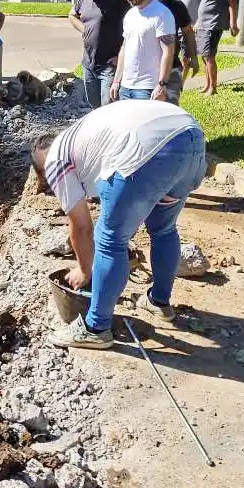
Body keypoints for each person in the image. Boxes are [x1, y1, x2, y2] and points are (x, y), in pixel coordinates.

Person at [31, 100, 206, 348]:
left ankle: (95, 327)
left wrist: (85, 269)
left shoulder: (54, 162)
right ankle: (159, 302)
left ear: (42, 172)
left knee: (109, 239)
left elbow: (82, 227)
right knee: (163, 229)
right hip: (191, 140)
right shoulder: (84, 139)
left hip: (149, 149)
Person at [110, 0, 176, 101]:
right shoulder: (130, 14)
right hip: (125, 87)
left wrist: (162, 84)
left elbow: (168, 52)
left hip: (148, 88)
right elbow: (125, 48)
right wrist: (117, 81)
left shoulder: (161, 13)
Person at [69, 0, 129, 108]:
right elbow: (71, 15)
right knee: (94, 106)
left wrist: (121, 56)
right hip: (89, 64)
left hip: (110, 65)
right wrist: (85, 31)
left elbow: (131, 28)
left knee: (108, 107)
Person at [146, 0, 199, 104]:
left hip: (172, 67)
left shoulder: (176, 5)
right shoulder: (141, 7)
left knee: (170, 108)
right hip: (147, 68)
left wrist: (193, 57)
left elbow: (188, 31)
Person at [196, 0, 239, 96]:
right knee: (204, 56)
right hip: (203, 25)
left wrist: (233, 24)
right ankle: (207, 84)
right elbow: (207, 4)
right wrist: (198, 22)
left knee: (209, 56)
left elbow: (231, 2)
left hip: (213, 25)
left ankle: (213, 88)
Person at [170, 0, 205, 82]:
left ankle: (181, 84)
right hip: (174, 29)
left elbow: (204, 10)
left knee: (185, 58)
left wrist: (198, 22)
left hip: (189, 29)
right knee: (171, 56)